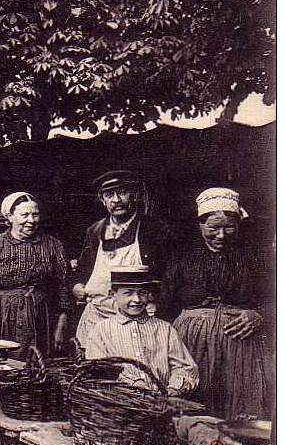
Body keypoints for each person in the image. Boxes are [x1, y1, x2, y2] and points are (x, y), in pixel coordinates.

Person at [160, 188, 272, 419]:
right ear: (200, 225)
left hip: (241, 348)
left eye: (229, 227)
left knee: (239, 412)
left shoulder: (255, 256)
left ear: (239, 226)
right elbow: (165, 303)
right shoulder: (183, 256)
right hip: (190, 345)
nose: (221, 235)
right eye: (213, 227)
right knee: (194, 405)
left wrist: (260, 315)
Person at [0, 192, 71, 360]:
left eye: (35, 214)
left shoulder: (53, 246)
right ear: (10, 217)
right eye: (24, 215)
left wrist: (62, 323)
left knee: (36, 366)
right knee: (0, 364)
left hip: (40, 318)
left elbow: (63, 288)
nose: (31, 220)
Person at [73, 170, 173, 342]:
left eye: (122, 192)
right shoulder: (94, 231)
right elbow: (82, 270)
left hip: (138, 314)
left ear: (134, 194)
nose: (116, 200)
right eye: (109, 194)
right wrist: (76, 285)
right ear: (102, 199)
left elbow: (170, 274)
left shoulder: (153, 229)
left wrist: (155, 296)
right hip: (97, 315)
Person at [82, 266, 198, 396]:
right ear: (113, 294)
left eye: (142, 293)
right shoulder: (101, 331)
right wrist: (132, 383)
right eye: (128, 293)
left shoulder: (165, 329)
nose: (137, 300)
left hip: (162, 403)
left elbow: (185, 367)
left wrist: (173, 389)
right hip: (119, 404)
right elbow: (99, 369)